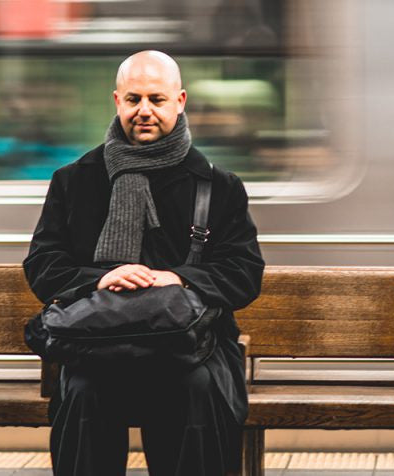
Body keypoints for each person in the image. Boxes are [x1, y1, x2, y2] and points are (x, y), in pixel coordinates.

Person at [23, 50, 265, 475]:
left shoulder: (219, 185)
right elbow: (43, 264)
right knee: (82, 391)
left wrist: (178, 279)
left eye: (157, 98)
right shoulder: (75, 180)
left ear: (180, 101)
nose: (145, 111)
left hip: (192, 346)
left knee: (197, 388)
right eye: (134, 99)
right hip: (99, 344)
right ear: (117, 102)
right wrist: (101, 279)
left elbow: (244, 273)